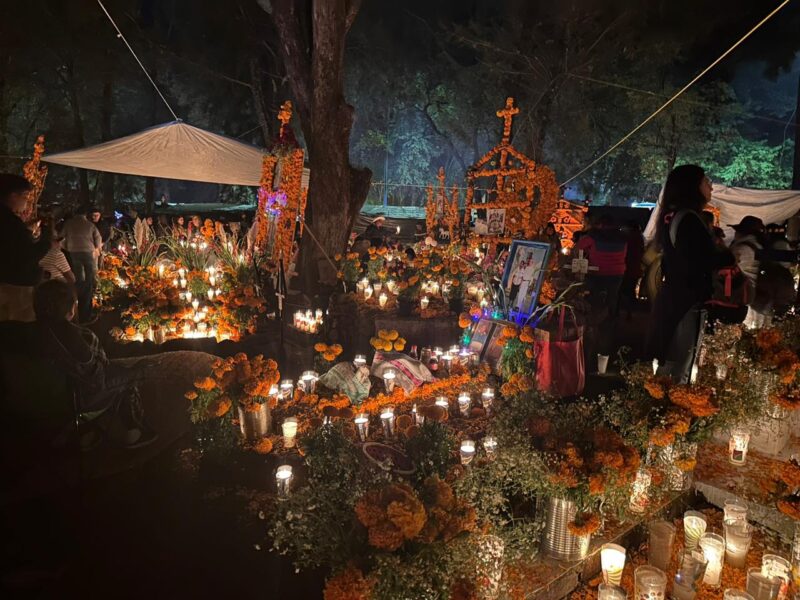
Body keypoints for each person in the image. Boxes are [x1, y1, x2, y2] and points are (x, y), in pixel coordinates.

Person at [32, 279, 157, 449]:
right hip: (83, 399)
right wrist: (136, 369)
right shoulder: (82, 337)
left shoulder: (30, 335)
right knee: (128, 378)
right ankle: (135, 431)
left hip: (48, 399)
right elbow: (101, 372)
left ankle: (84, 432)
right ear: (70, 309)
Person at [646, 165, 723, 383]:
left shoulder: (674, 215)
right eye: (706, 181)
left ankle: (665, 405)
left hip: (675, 297)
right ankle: (669, 410)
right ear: (692, 186)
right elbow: (697, 260)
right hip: (685, 300)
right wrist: (725, 258)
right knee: (678, 362)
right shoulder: (689, 219)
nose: (711, 187)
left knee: (672, 358)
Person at [0, 174, 52, 321]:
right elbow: (26, 256)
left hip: (8, 283)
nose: (27, 202)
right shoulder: (9, 222)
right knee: (17, 331)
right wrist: (48, 242)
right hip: (14, 289)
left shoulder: (8, 221)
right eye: (25, 196)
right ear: (12, 195)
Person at [575, 214, 628, 315]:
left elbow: (579, 246)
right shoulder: (623, 237)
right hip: (617, 273)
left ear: (601, 224)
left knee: (594, 295)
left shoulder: (594, 235)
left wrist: (588, 251)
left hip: (597, 271)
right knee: (613, 296)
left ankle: (593, 317)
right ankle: (612, 318)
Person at [62, 207, 103, 322]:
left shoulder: (68, 224)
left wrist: (68, 247)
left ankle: (78, 308)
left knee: (79, 278)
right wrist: (96, 248)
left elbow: (61, 238)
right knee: (89, 279)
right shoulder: (90, 225)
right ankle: (86, 312)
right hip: (87, 252)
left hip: (74, 252)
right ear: (85, 215)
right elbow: (98, 239)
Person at [617, 220, 644, 318]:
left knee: (620, 291)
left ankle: (617, 313)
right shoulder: (640, 238)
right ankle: (630, 312)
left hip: (624, 268)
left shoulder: (626, 238)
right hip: (635, 269)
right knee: (630, 291)